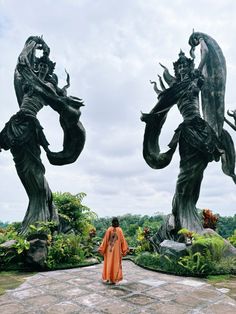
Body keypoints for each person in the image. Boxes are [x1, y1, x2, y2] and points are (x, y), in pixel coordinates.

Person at [141, 32, 236, 245]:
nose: (183, 69)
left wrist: (201, 42)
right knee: (185, 175)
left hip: (201, 129)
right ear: (176, 71)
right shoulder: (175, 89)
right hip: (186, 133)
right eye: (179, 67)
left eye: (185, 66)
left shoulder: (195, 79)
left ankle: (189, 214)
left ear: (189, 66)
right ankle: (181, 217)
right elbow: (162, 106)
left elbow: (205, 60)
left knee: (198, 175)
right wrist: (150, 118)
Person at [98, 217, 129, 284]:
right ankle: (114, 279)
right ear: (118, 222)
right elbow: (123, 241)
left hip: (109, 251)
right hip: (116, 252)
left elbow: (105, 240)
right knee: (116, 264)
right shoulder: (119, 230)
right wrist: (124, 250)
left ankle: (109, 278)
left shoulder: (109, 229)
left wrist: (102, 248)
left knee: (109, 264)